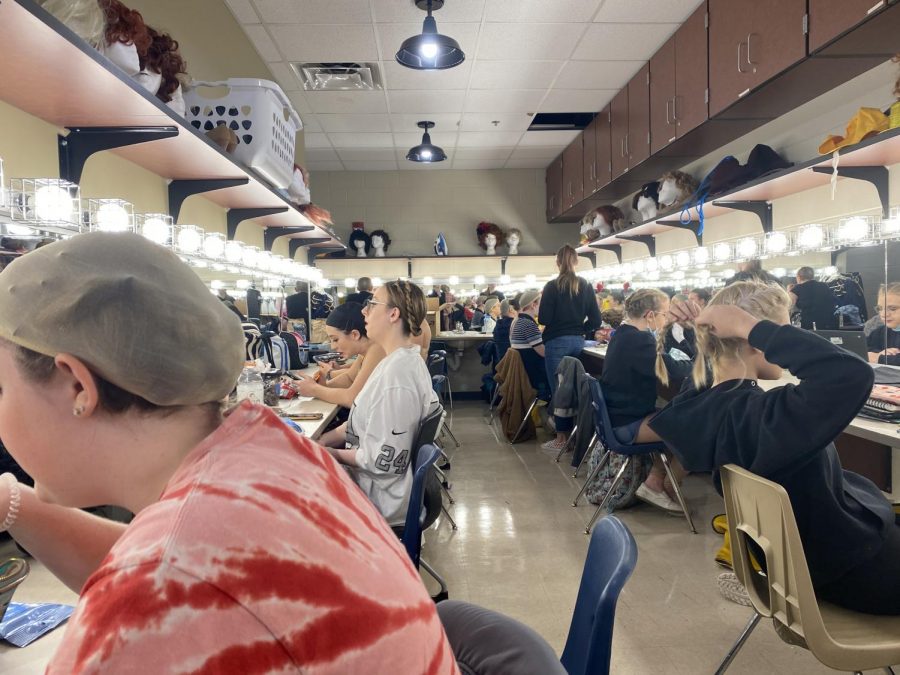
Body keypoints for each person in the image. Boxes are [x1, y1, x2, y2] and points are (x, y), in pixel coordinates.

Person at [0, 232, 458, 671]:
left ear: (78, 385)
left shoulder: (156, 585)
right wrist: (16, 507)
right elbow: (173, 565)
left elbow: (160, 578)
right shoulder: (267, 447)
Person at [653, 282, 900, 615]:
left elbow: (695, 387)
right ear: (753, 340)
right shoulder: (767, 418)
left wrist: (702, 329)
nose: (785, 337)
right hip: (857, 568)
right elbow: (851, 373)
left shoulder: (709, 410)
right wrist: (750, 326)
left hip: (819, 565)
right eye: (782, 330)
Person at [325, 281, 441, 527]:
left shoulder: (397, 378)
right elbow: (367, 422)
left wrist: (332, 454)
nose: (364, 311)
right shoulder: (398, 362)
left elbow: (383, 461)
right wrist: (323, 441)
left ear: (393, 313)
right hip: (377, 488)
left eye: (371, 304)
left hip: (381, 501)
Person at [600, 289, 687, 513]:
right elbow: (673, 369)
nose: (666, 319)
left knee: (685, 414)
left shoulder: (623, 334)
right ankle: (658, 484)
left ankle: (658, 482)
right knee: (695, 428)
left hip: (617, 416)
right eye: (664, 314)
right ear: (650, 315)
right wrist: (702, 364)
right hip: (626, 423)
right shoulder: (638, 340)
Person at [538, 245, 602, 452]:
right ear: (576, 262)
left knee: (559, 389)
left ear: (557, 262)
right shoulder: (585, 285)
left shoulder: (551, 286)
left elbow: (545, 318)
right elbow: (596, 319)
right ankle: (577, 434)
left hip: (556, 342)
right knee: (575, 388)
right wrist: (580, 329)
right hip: (578, 341)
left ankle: (561, 439)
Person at [295, 302, 386, 410]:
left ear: (355, 335)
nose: (333, 346)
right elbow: (349, 379)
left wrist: (315, 390)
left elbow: (352, 398)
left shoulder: (376, 349)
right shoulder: (364, 353)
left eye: (335, 339)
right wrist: (321, 384)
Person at [510, 290, 549, 399]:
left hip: (525, 369)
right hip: (534, 374)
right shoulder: (528, 324)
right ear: (533, 305)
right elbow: (543, 352)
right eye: (541, 304)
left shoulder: (519, 321)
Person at [867, 282, 900, 365]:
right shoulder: (877, 333)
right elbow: (864, 351)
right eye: (880, 308)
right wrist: (880, 353)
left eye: (892, 309)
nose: (883, 314)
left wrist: (878, 358)